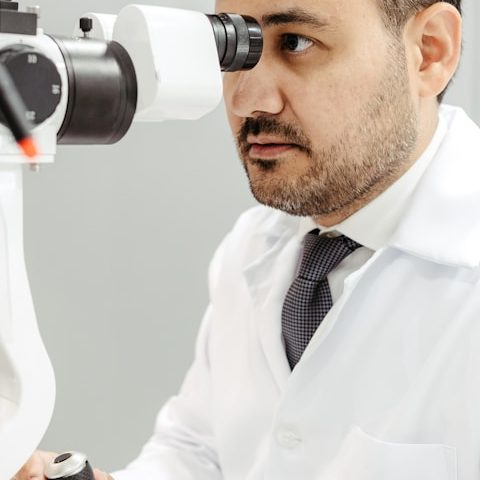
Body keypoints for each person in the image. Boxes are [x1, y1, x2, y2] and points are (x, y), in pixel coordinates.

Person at [17, 0, 476, 478]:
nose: (246, 101)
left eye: (295, 43)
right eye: (234, 49)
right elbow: (200, 452)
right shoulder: (254, 245)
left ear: (429, 51)